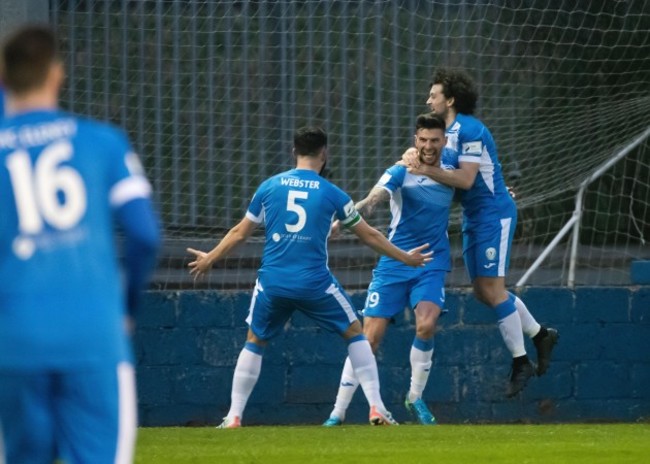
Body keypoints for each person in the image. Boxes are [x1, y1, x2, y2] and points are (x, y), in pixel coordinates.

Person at [187, 126, 433, 428]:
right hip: (314, 283)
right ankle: (376, 408)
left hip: (273, 283)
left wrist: (210, 258)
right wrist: (405, 257)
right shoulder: (332, 194)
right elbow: (368, 235)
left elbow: (240, 232)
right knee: (356, 334)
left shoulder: (269, 187)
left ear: (294, 152)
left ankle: (234, 415)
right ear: (324, 154)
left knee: (254, 340)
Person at [0, 25, 161, 464]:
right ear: (57, 74)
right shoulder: (101, 142)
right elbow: (145, 234)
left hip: (12, 341)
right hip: (92, 336)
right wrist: (125, 310)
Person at [402, 68, 558, 397]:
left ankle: (520, 362)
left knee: (494, 289)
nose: (429, 99)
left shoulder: (469, 129)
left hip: (493, 215)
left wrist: (426, 169)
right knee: (483, 293)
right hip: (476, 216)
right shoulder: (443, 134)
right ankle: (541, 334)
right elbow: (452, 183)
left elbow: (467, 180)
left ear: (451, 99)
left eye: (434, 95)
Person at [323, 112, 454, 426]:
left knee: (426, 324)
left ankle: (415, 398)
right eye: (422, 140)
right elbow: (373, 199)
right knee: (368, 339)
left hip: (431, 261)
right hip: (395, 260)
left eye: (434, 140)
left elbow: (478, 186)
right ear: (415, 140)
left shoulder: (455, 169)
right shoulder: (401, 169)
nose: (428, 146)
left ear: (444, 141)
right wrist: (345, 218)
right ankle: (337, 413)